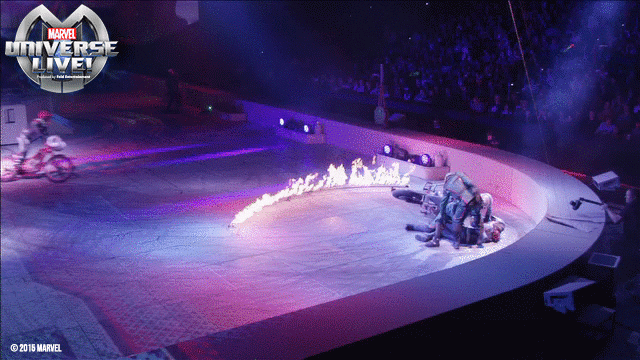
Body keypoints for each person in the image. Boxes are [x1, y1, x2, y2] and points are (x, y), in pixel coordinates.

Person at [602, 188, 640, 279]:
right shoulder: (636, 204)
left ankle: (615, 267)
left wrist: (607, 209)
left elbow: (616, 220)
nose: (625, 197)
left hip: (631, 238)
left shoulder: (629, 207)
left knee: (608, 238)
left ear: (633, 197)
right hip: (637, 235)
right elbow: (625, 213)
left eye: (627, 196)